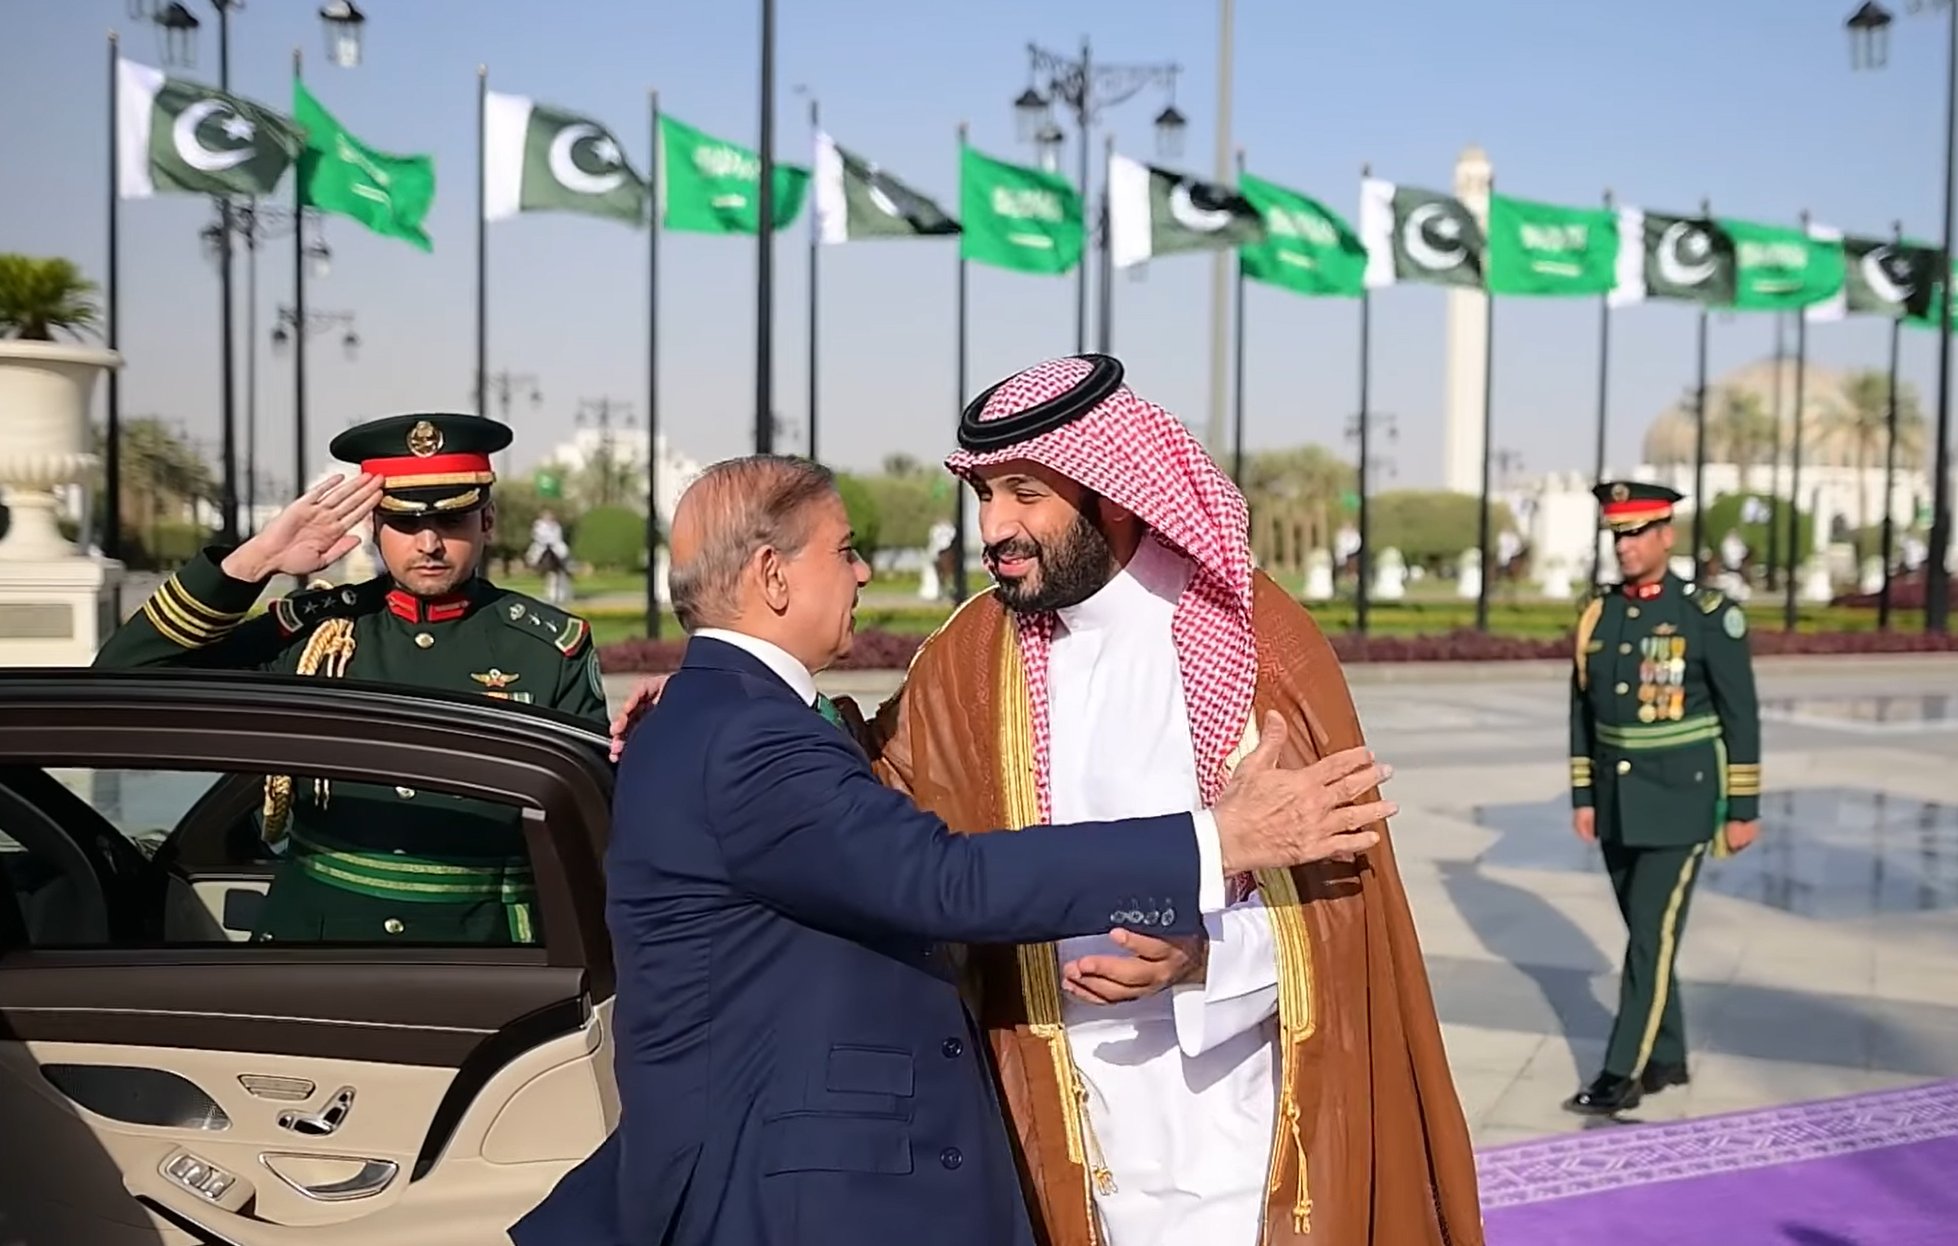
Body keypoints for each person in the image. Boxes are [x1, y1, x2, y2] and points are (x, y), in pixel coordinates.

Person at [611, 356, 1482, 1246]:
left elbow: (1343, 920)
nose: (996, 527)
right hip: (1045, 1143)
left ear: (1111, 491)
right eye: (985, 494)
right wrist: (709, 705)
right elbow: (879, 820)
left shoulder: (1259, 644)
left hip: (1231, 1141)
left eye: (1025, 492)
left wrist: (1206, 964)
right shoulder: (971, 655)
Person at [94, 413, 607, 944]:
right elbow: (119, 681)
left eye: (452, 522)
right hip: (321, 947)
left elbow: (587, 821)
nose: (428, 543)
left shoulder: (549, 647)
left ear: (488, 521)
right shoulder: (315, 631)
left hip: (485, 951)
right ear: (373, 527)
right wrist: (257, 560)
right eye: (406, 524)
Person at [1565, 481, 1762, 1115]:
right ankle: (1670, 1055)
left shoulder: (1707, 615)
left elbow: (1742, 716)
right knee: (1648, 932)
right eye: (1617, 535)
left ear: (1666, 536)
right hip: (1619, 801)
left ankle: (1622, 1072)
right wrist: (1584, 793)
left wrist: (1743, 807)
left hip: (1682, 803)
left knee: (1648, 935)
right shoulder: (1602, 613)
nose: (1625, 547)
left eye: (1637, 533)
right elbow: (1583, 709)